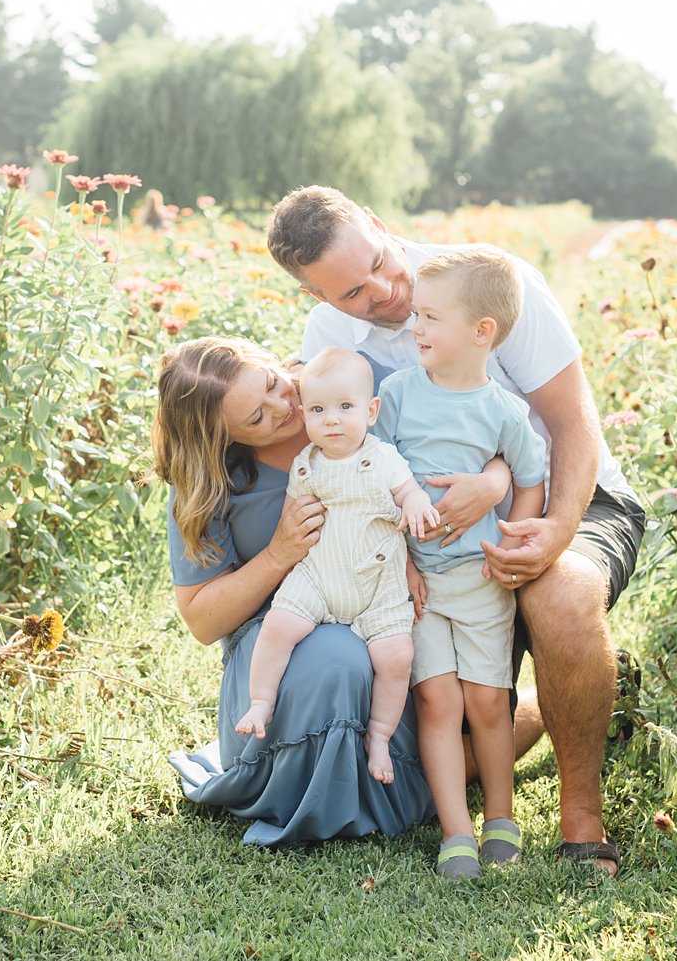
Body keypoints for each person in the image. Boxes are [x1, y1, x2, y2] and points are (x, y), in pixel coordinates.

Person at [266, 185, 646, 876]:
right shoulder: (329, 343)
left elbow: (570, 423)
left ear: (379, 224)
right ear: (315, 297)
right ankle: (578, 697)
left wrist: (541, 519)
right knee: (438, 728)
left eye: (379, 261)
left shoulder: (488, 283)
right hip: (431, 536)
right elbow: (358, 457)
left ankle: (581, 819)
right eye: (352, 292)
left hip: (571, 491)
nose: (384, 291)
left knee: (556, 597)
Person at [156, 336, 543, 847]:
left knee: (451, 697)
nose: (286, 406)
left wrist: (493, 482)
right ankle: (360, 782)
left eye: (273, 385)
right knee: (337, 657)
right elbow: (202, 622)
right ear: (223, 438)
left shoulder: (340, 393)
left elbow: (467, 437)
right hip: (282, 635)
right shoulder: (210, 484)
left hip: (378, 606)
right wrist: (278, 554)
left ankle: (536, 714)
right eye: (256, 418)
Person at [374, 250, 547, 878]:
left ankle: (500, 816)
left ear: (482, 333)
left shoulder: (503, 410)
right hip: (416, 586)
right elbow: (378, 481)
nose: (415, 327)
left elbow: (529, 479)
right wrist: (404, 565)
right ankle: (456, 832)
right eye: (416, 313)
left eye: (430, 317)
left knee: (488, 701)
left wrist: (513, 542)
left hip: (479, 582)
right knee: (438, 703)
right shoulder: (394, 396)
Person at [234, 347, 438, 787]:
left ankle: (380, 736)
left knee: (397, 657)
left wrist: (418, 504)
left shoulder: (381, 457)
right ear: (305, 414)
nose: (331, 420)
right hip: (319, 577)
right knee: (279, 625)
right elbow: (292, 520)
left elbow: (408, 493)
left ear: (371, 410)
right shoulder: (306, 464)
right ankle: (260, 701)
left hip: (377, 584)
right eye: (319, 410)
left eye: (345, 408)